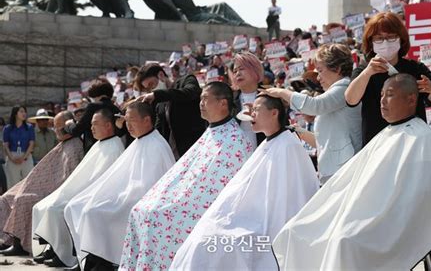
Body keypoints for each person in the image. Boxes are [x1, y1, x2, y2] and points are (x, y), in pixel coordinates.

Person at [273, 74, 431, 271]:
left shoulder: (424, 139)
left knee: (344, 242)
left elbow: (425, 199)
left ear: (411, 99)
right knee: (297, 230)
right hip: (374, 214)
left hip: (397, 219)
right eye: (381, 95)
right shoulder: (384, 136)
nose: (382, 101)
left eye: (389, 95)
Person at [170, 95, 320, 270]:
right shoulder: (271, 142)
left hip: (269, 229)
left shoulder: (288, 145)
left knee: (208, 245)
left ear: (274, 113)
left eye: (256, 110)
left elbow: (286, 203)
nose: (251, 114)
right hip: (252, 217)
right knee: (200, 239)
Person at [119, 82, 253, 270]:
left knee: (156, 218)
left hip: (211, 210)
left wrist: (175, 202)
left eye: (205, 99)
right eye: (200, 99)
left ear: (223, 104)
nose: (200, 103)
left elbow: (217, 188)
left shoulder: (235, 140)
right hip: (185, 198)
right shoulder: (211, 133)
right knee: (140, 211)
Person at [64, 102, 175, 270]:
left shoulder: (157, 145)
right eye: (126, 120)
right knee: (82, 206)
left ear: (147, 120)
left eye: (132, 120)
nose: (127, 126)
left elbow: (147, 185)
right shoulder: (139, 141)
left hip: (141, 200)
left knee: (95, 212)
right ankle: (90, 260)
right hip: (126, 194)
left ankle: (101, 263)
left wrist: (119, 198)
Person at [32, 109, 125, 268]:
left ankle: (70, 256)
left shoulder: (115, 146)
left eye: (95, 124)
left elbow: (104, 180)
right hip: (84, 191)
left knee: (65, 208)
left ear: (109, 125)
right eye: (91, 125)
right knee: (45, 206)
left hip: (99, 195)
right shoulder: (99, 145)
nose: (92, 128)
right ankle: (56, 249)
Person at [261, 44, 362, 184]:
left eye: (320, 71)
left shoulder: (344, 87)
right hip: (334, 170)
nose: (318, 78)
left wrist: (281, 92)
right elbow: (321, 142)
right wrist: (297, 130)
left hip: (345, 171)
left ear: (337, 69)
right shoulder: (333, 95)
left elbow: (314, 106)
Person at [345, 11, 431, 146]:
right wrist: (367, 73)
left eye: (391, 37)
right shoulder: (363, 71)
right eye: (379, 38)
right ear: (371, 42)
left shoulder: (415, 68)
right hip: (377, 145)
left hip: (412, 144)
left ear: (401, 39)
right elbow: (350, 100)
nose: (385, 42)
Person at [0, 111, 83, 256]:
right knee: (7, 197)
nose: (56, 130)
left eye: (59, 126)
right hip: (38, 181)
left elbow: (67, 176)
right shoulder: (63, 143)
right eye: (55, 126)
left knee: (22, 199)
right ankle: (7, 239)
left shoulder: (75, 146)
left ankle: (19, 244)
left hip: (54, 189)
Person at [138, 64, 206, 159]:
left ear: (161, 75)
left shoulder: (186, 80)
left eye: (151, 84)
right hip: (175, 155)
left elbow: (190, 92)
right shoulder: (159, 103)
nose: (151, 89)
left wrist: (158, 95)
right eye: (148, 88)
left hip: (196, 148)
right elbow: (159, 130)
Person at [68, 77, 123, 153]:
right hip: (114, 148)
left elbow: (77, 130)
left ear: (95, 95)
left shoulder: (93, 107)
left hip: (96, 149)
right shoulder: (116, 109)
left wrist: (70, 125)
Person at [231, 52, 266, 150]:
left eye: (241, 69)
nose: (238, 73)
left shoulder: (270, 96)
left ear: (255, 70)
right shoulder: (230, 101)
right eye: (235, 71)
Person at [2, 106, 35, 189]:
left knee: (28, 182)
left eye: (25, 112)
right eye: (21, 111)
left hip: (26, 155)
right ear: (15, 114)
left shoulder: (29, 127)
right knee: (13, 183)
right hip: (12, 155)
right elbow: (5, 145)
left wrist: (24, 157)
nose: (24, 114)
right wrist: (12, 158)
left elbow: (31, 143)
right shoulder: (7, 128)